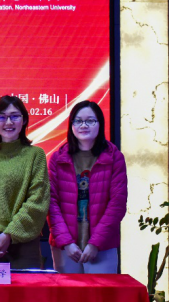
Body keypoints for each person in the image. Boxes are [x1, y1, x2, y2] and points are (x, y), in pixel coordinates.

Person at [47, 101, 127, 273]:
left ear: (100, 124)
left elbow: (117, 204)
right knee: (67, 291)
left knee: (101, 291)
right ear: (71, 125)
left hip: (103, 247)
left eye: (90, 121)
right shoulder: (57, 159)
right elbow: (51, 204)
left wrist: (96, 243)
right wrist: (66, 242)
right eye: (78, 121)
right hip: (66, 249)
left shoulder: (114, 157)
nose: (83, 125)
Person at [0, 95, 50, 269]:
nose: (8, 122)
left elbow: (38, 200)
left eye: (14, 116)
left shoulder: (36, 155)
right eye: (2, 117)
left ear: (24, 120)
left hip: (24, 242)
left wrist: (9, 234)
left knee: (27, 288)